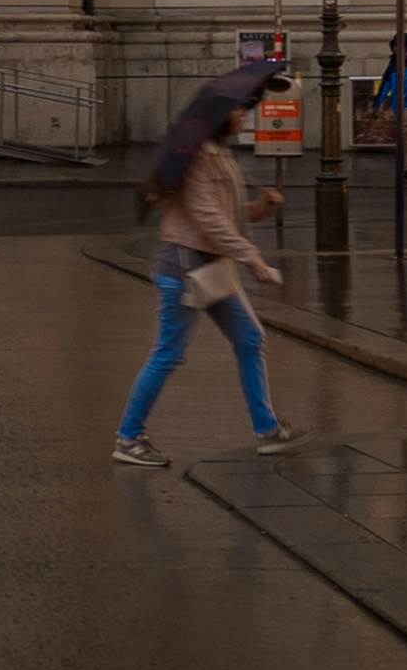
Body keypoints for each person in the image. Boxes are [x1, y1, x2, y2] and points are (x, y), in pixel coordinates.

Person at [114, 87, 294, 465]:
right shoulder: (196, 159)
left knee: (249, 339)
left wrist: (261, 206)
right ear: (220, 116)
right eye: (238, 110)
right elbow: (207, 217)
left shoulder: (221, 155)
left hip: (211, 267)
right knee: (168, 353)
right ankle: (128, 438)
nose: (243, 115)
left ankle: (268, 429)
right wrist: (253, 258)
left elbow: (230, 218)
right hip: (182, 268)